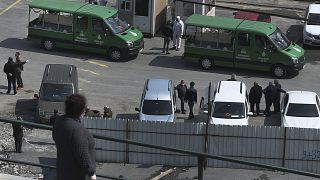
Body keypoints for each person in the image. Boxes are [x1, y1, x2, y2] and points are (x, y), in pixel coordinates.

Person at [52, 94, 96, 180]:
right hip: (76, 174)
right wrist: (91, 172)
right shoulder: (77, 129)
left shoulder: (59, 121)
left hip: (62, 170)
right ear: (81, 110)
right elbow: (82, 154)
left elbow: (55, 137)